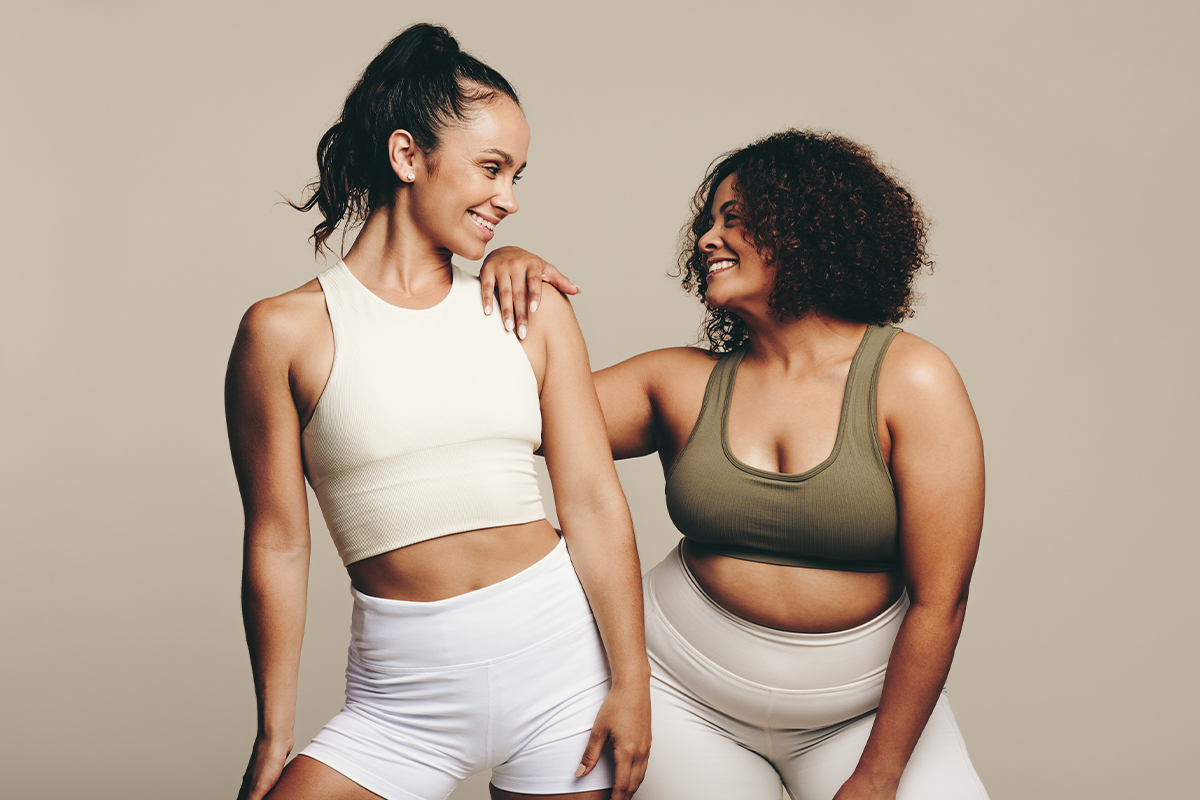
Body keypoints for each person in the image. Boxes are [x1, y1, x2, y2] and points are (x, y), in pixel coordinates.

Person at [480, 129, 989, 799]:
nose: (706, 240)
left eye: (735, 218)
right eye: (708, 222)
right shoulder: (677, 382)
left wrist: (879, 774)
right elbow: (500, 412)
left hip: (865, 716)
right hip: (676, 695)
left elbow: (941, 600)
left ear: (806, 229)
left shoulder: (912, 379)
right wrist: (509, 277)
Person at [224, 24, 650, 800]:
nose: (509, 199)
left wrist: (632, 680)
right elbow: (279, 541)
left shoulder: (530, 309)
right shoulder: (281, 333)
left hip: (563, 675)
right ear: (407, 156)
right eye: (491, 167)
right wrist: (274, 728)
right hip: (401, 700)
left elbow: (592, 500)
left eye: (516, 174)